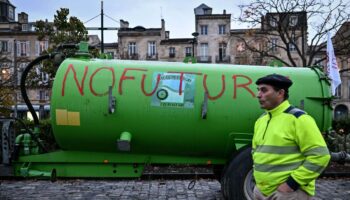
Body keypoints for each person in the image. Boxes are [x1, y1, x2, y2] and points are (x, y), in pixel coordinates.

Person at [252, 74, 331, 200]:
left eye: (264, 90)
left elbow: (320, 156)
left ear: (280, 93)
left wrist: (290, 185)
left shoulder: (299, 119)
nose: (258, 95)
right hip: (261, 192)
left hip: (287, 194)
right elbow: (256, 152)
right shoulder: (261, 121)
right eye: (258, 90)